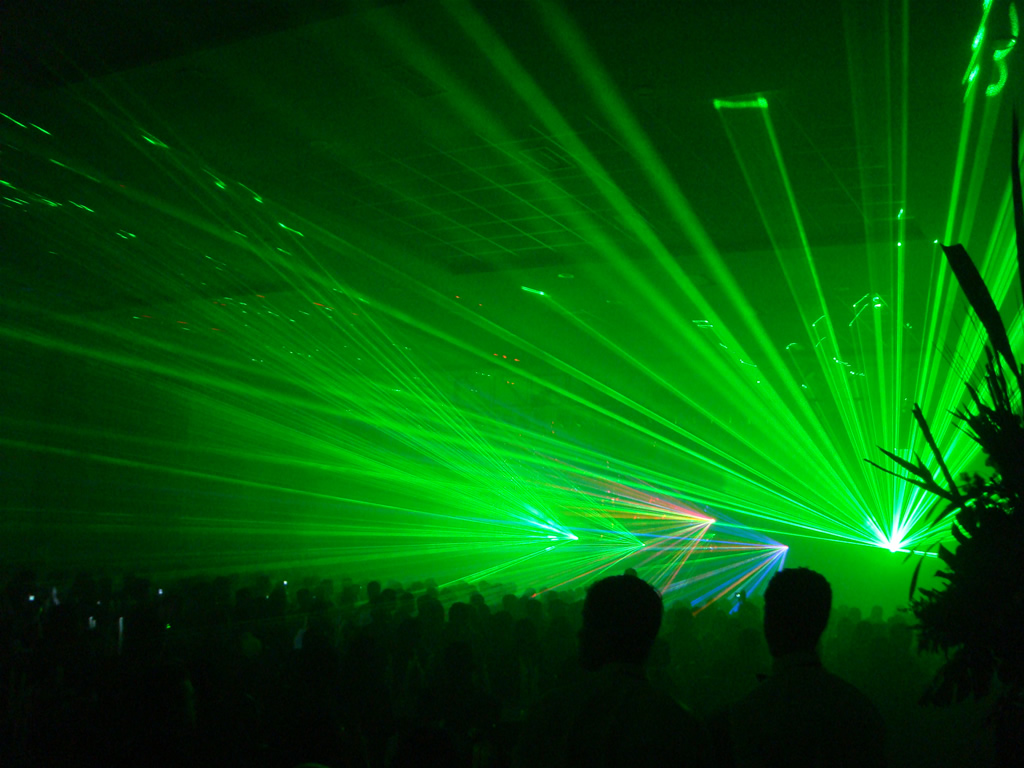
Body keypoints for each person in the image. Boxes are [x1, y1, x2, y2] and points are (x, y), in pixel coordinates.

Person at [515, 575, 710, 768]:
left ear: (606, 631)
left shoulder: (555, 713)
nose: (579, 633)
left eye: (587, 621)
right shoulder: (678, 724)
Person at [727, 568, 886, 767]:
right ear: (824, 622)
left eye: (770, 613)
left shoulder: (744, 717)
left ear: (768, 623)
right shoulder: (859, 711)